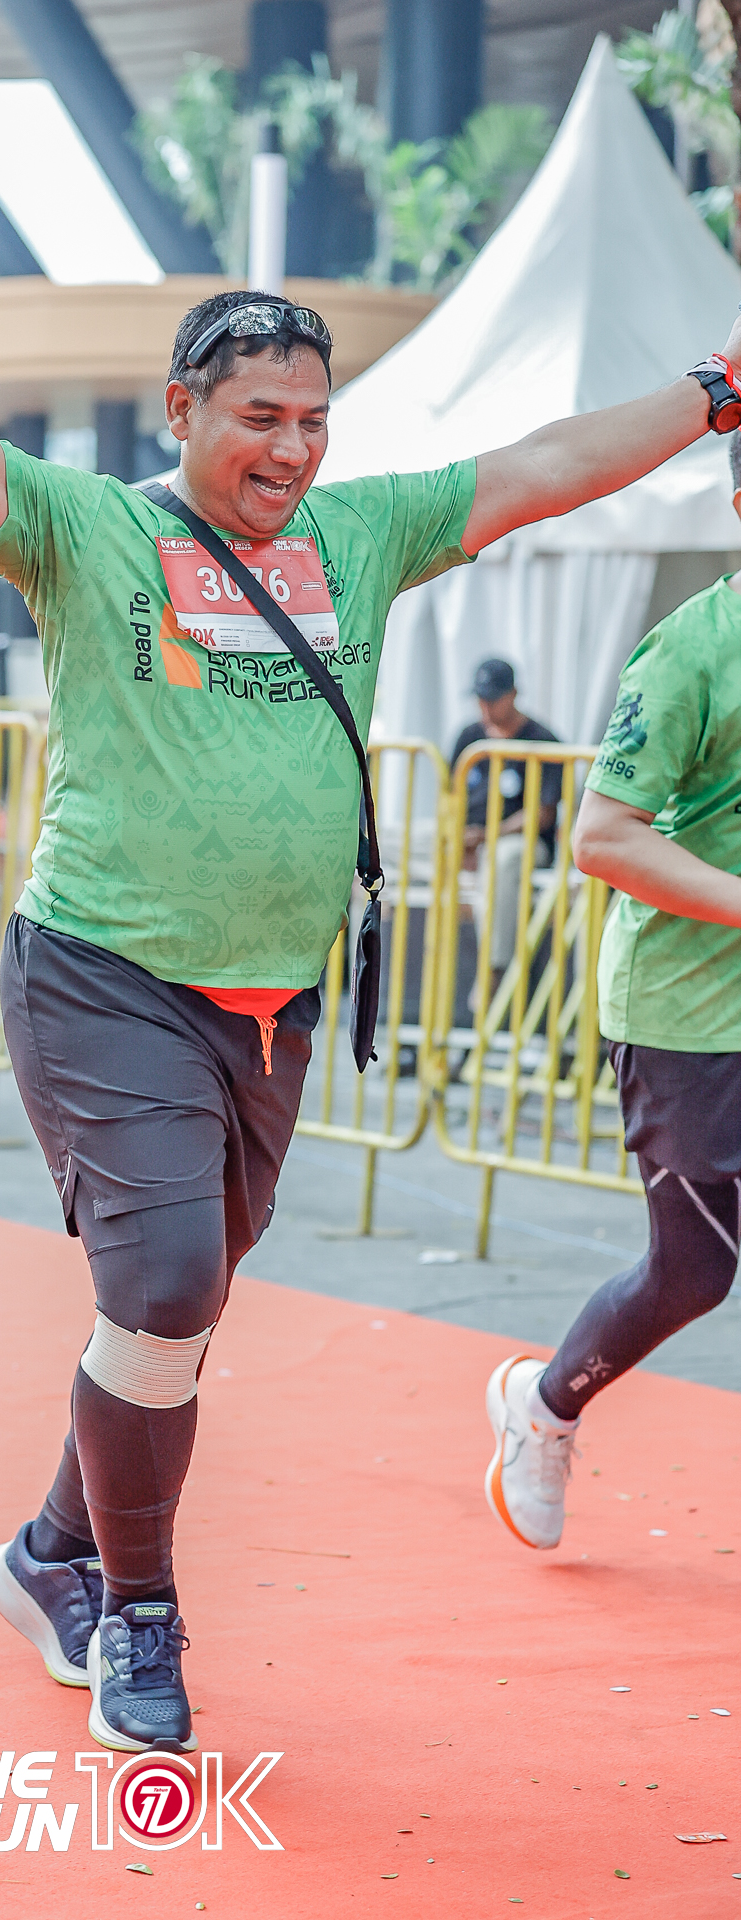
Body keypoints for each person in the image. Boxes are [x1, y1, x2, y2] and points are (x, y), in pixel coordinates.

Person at [0, 216, 741, 1753]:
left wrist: (715, 388)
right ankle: (136, 1612)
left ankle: (49, 1551)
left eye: (315, 419)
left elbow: (551, 466)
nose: (294, 449)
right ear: (183, 407)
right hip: (102, 978)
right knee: (167, 1285)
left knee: (171, 1321)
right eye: (261, 416)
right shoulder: (86, 529)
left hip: (272, 1007)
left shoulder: (363, 536)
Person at [485, 431, 741, 1553]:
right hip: (688, 1011)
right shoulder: (690, 651)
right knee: (694, 1272)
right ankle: (542, 1407)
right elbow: (601, 838)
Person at [451, 658, 561, 1001]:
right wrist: (457, 838)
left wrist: (485, 837)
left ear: (512, 695)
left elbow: (541, 815)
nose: (484, 707)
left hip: (522, 843)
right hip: (471, 839)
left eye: (492, 698)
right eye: (480, 698)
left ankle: (494, 968)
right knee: (399, 842)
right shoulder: (469, 737)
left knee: (502, 858)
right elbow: (449, 798)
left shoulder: (543, 740)